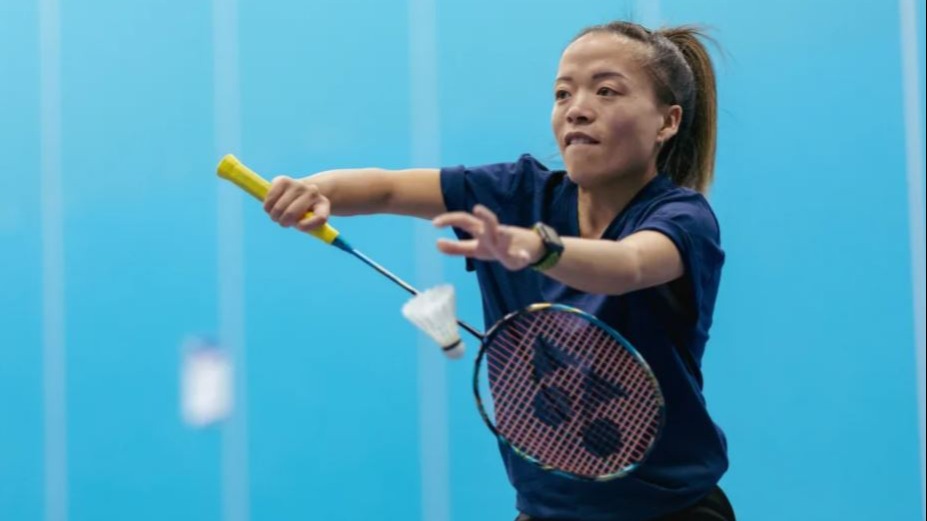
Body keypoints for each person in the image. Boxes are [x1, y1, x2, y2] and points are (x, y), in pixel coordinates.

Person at [262, 20, 734, 521]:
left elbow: (629, 264)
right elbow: (388, 189)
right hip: (547, 512)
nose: (576, 108)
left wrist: (538, 248)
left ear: (667, 122)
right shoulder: (516, 194)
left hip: (673, 511)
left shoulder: (682, 217)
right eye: (562, 93)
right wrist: (317, 190)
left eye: (606, 91)